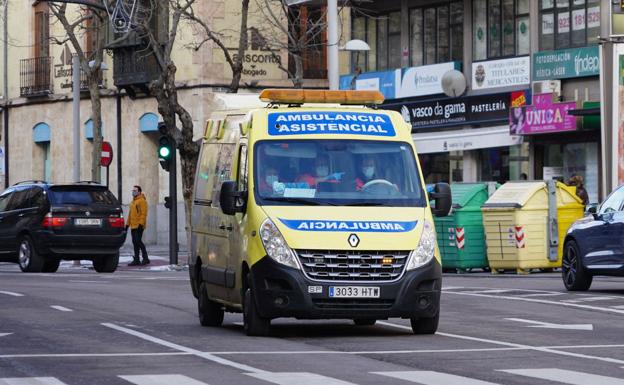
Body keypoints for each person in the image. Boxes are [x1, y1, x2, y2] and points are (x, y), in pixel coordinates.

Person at [126, 185, 149, 266]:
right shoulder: (133, 202)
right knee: (135, 242)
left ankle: (145, 258)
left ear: (139, 192)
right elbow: (130, 214)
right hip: (133, 225)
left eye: (135, 191)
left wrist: (140, 224)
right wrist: (127, 225)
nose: (133, 192)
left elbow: (143, 214)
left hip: (139, 225)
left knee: (138, 241)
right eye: (133, 190)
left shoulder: (142, 201)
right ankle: (137, 259)